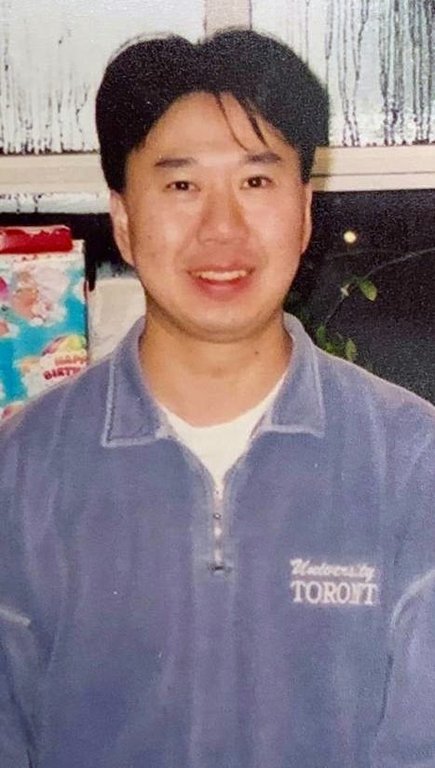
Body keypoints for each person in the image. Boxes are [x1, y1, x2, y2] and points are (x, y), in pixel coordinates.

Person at [0, 28, 434, 768]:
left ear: (305, 211)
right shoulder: (24, 471)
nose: (222, 228)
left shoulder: (410, 461)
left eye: (256, 182)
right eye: (181, 186)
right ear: (123, 220)